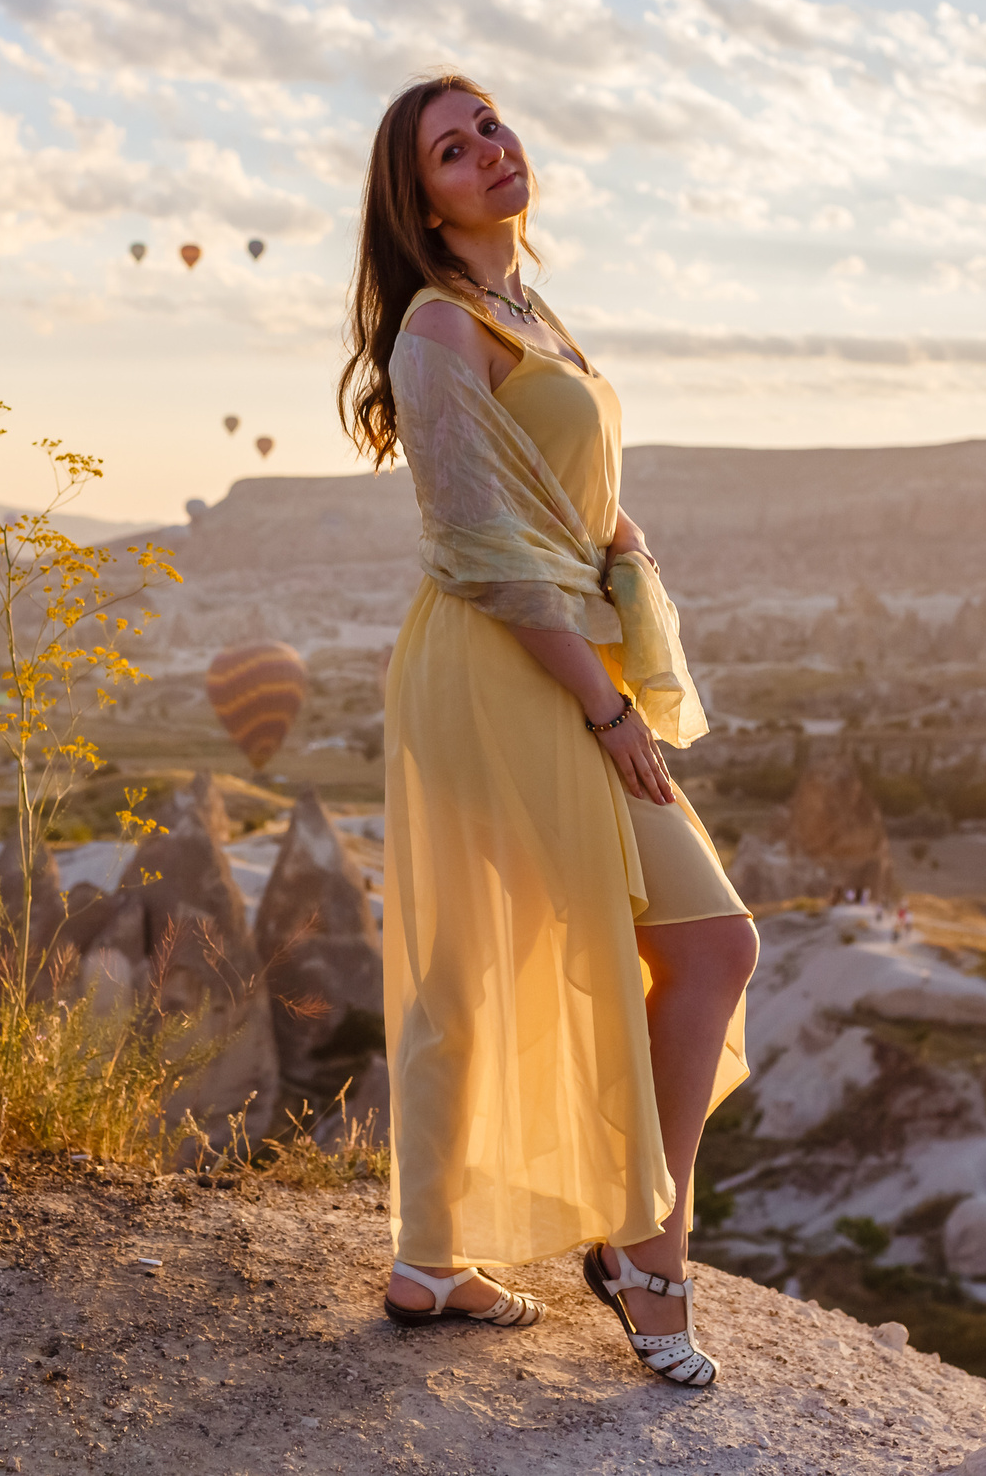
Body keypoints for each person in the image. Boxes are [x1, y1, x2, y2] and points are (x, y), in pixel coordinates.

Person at [342, 72, 757, 1388]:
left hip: (554, 646)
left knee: (514, 958)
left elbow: (561, 503)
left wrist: (621, 549)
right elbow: (482, 549)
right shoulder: (438, 329)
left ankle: (432, 1260)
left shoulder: (524, 311)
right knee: (703, 941)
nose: (489, 154)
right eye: (453, 152)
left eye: (492, 127)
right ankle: (646, 1248)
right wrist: (608, 704)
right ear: (420, 203)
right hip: (507, 663)